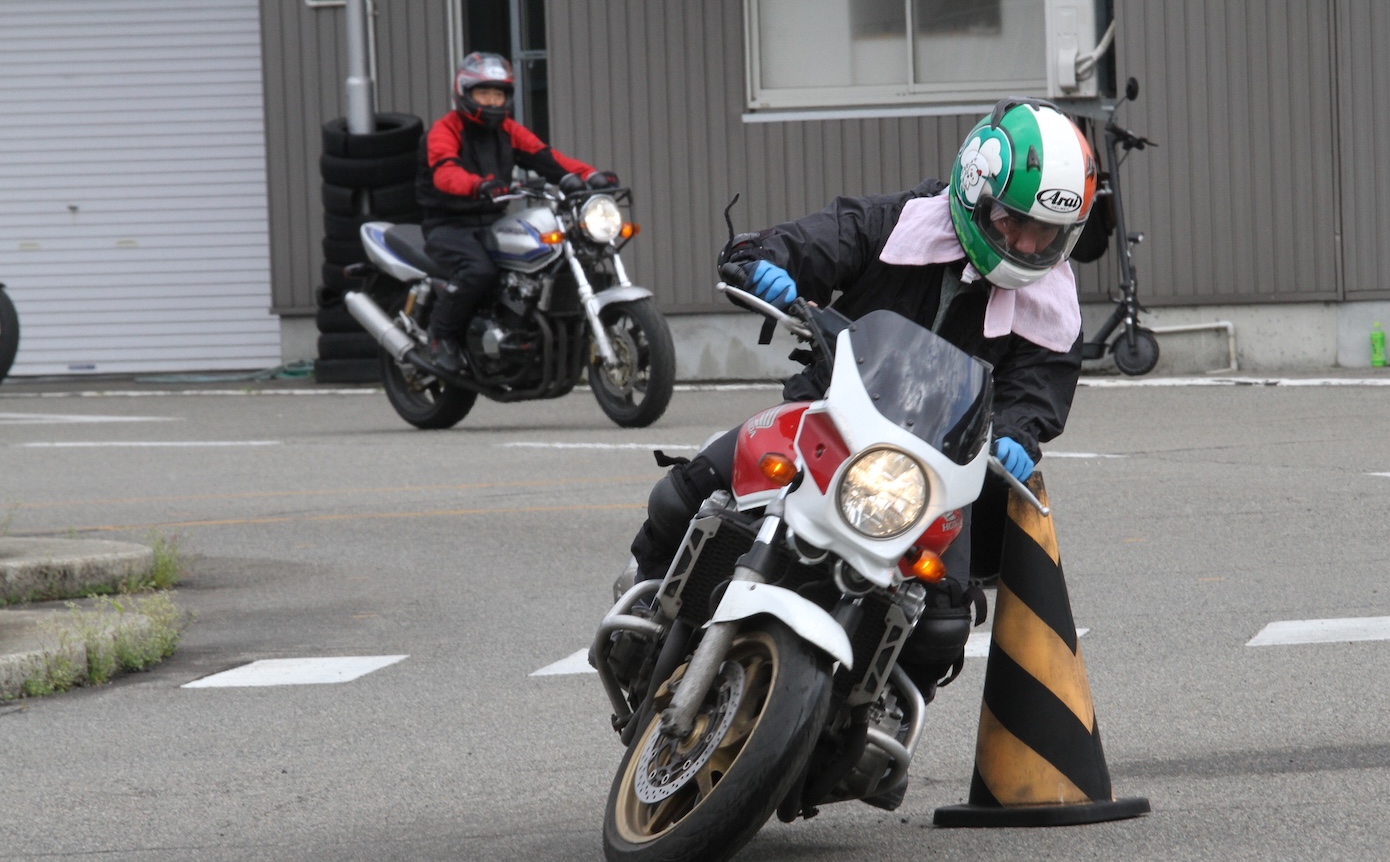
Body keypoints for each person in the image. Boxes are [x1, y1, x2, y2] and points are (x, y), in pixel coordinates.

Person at [628, 97, 1096, 692]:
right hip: (829, 415)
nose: (1027, 246)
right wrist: (761, 260)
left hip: (937, 471)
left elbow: (1038, 389)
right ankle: (645, 611)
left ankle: (879, 719)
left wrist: (1016, 435)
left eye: (1045, 233)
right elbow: (812, 242)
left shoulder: (1053, 304)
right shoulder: (895, 223)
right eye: (1013, 223)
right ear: (973, 190)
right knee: (688, 491)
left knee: (944, 622)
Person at [415, 52, 619, 374]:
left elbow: (547, 158)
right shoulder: (445, 129)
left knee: (543, 261)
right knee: (479, 271)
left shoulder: (508, 130)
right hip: (449, 225)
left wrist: (590, 175)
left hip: (492, 222)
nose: (492, 101)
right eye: (484, 93)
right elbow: (445, 172)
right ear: (464, 93)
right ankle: (441, 337)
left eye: (498, 94)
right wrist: (480, 185)